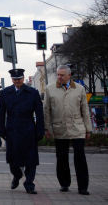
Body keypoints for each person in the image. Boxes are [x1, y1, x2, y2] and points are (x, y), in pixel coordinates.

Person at [44, 65, 92, 196]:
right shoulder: (50, 89)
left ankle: (83, 187)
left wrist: (88, 129)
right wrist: (47, 128)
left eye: (62, 75)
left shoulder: (79, 89)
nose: (59, 77)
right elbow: (46, 110)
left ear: (69, 76)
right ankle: (64, 183)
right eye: (58, 75)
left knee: (80, 158)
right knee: (61, 157)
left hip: (77, 127)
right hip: (60, 127)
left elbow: (85, 110)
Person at [0, 68, 44, 194]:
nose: (17, 81)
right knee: (12, 159)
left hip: (29, 129)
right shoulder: (5, 93)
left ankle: (29, 183)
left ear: (23, 79)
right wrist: (1, 129)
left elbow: (39, 113)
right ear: (12, 80)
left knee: (31, 160)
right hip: (12, 129)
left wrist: (40, 129)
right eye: (15, 79)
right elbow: (1, 113)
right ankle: (17, 175)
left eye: (19, 79)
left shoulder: (32, 92)